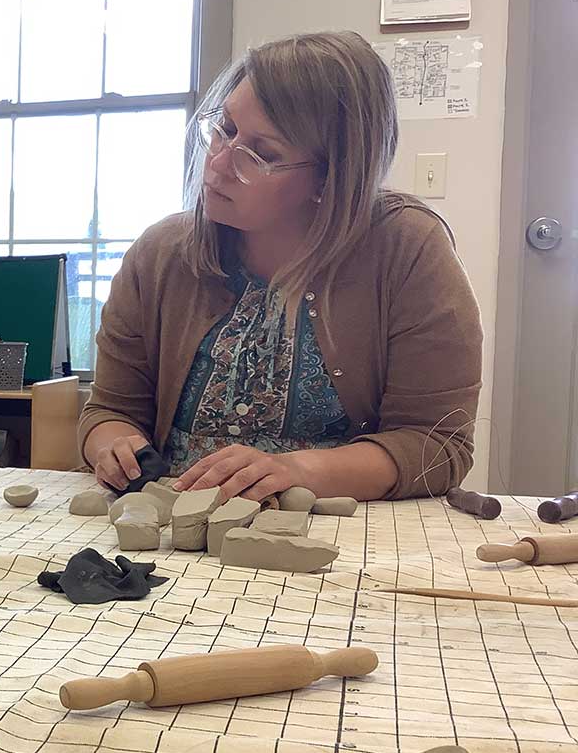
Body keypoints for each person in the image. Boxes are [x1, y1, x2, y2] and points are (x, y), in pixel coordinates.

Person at [80, 31, 482, 503]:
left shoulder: (408, 251)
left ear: (331, 176)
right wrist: (113, 444)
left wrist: (297, 470)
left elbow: (437, 445)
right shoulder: (162, 254)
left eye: (262, 154)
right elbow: (108, 409)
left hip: (334, 527)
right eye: (224, 129)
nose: (219, 163)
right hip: (175, 523)